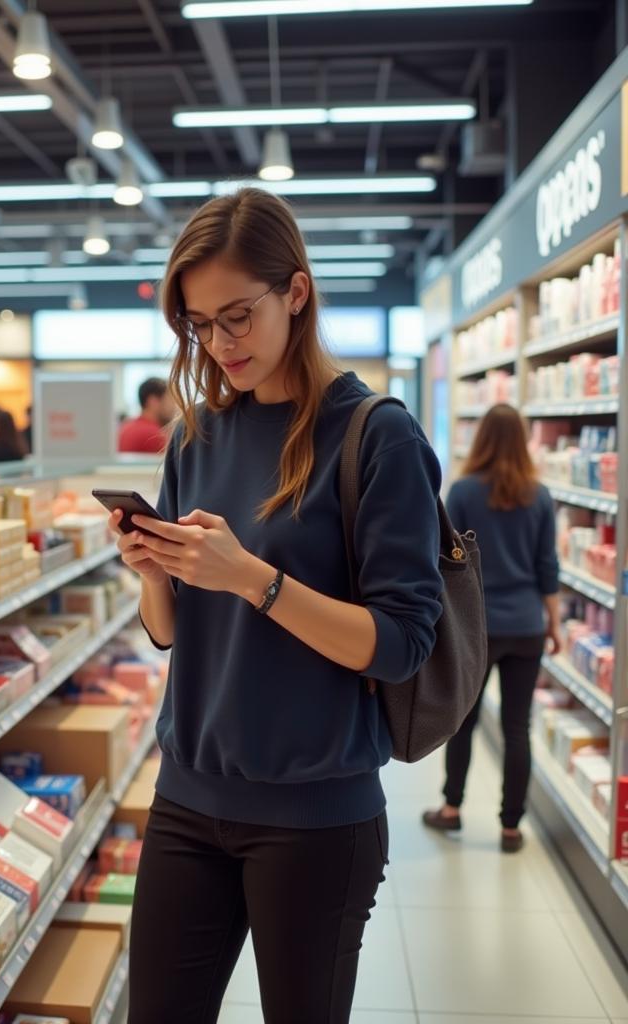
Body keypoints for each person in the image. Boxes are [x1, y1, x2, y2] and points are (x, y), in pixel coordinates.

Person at [108, 188, 444, 1023]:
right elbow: (173, 633)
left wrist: (253, 579)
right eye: (198, 325)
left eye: (237, 316)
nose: (219, 344)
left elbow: (403, 643)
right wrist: (154, 571)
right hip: (188, 799)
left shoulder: (376, 435)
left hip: (317, 817)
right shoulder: (194, 435)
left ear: (297, 292)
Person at [423, 403, 560, 854]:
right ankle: (511, 827)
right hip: (526, 625)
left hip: (478, 626)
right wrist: (554, 623)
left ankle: (452, 808)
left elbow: (448, 560)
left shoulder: (462, 492)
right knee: (517, 726)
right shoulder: (539, 496)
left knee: (463, 718)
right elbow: (546, 567)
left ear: (480, 439)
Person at [117, 377, 175, 454]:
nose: (174, 406)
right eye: (170, 399)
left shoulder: (126, 427)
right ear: (153, 401)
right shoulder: (153, 435)